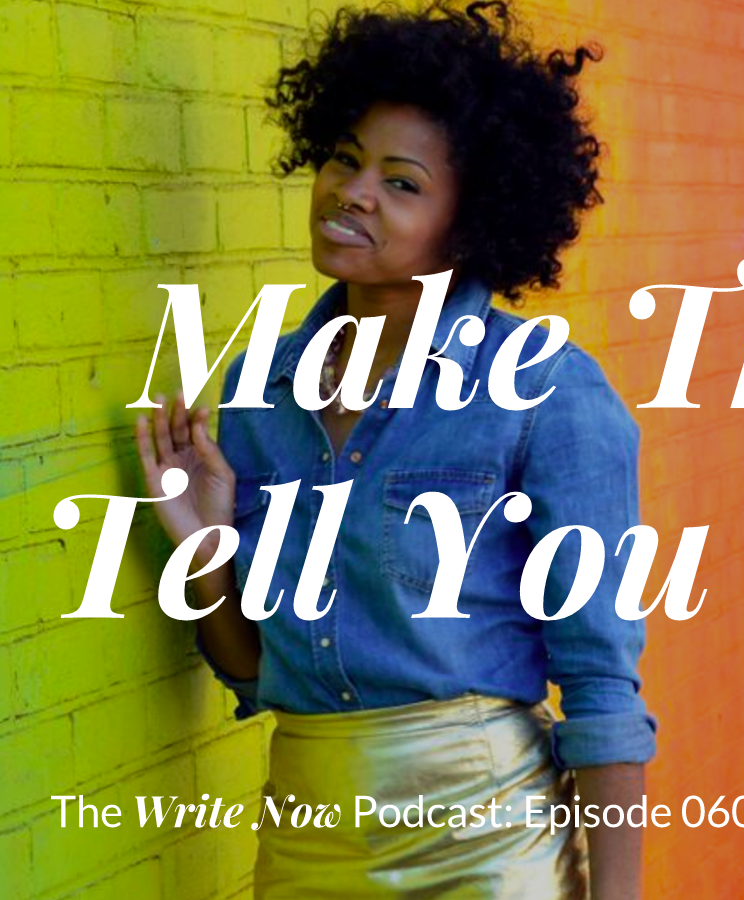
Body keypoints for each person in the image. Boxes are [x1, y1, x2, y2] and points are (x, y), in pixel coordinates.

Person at [133, 2, 656, 897]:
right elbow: (257, 669)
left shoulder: (547, 393)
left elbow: (602, 683)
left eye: (402, 183)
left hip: (485, 843)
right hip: (304, 834)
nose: (353, 191)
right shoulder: (263, 392)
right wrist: (206, 547)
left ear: (471, 221)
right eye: (345, 157)